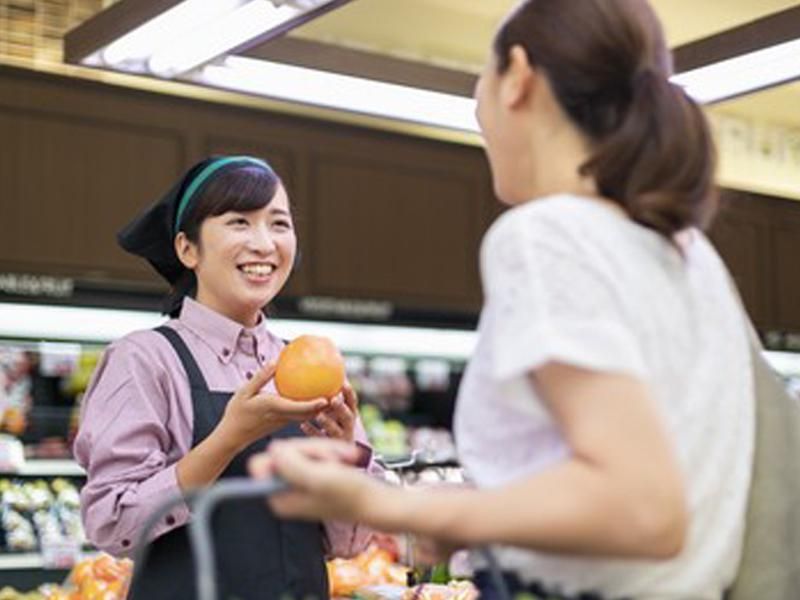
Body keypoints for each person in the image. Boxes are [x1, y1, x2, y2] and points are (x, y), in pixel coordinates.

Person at [249, 1, 755, 598]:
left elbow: (643, 509)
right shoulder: (689, 254)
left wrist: (392, 506)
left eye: (481, 79)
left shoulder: (549, 235)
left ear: (517, 76)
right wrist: (478, 511)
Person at [74, 155, 377, 600]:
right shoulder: (145, 360)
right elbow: (111, 522)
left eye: (279, 223)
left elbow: (349, 544)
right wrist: (228, 438)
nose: (264, 244)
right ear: (187, 249)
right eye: (239, 222)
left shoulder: (310, 362)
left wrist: (344, 456)